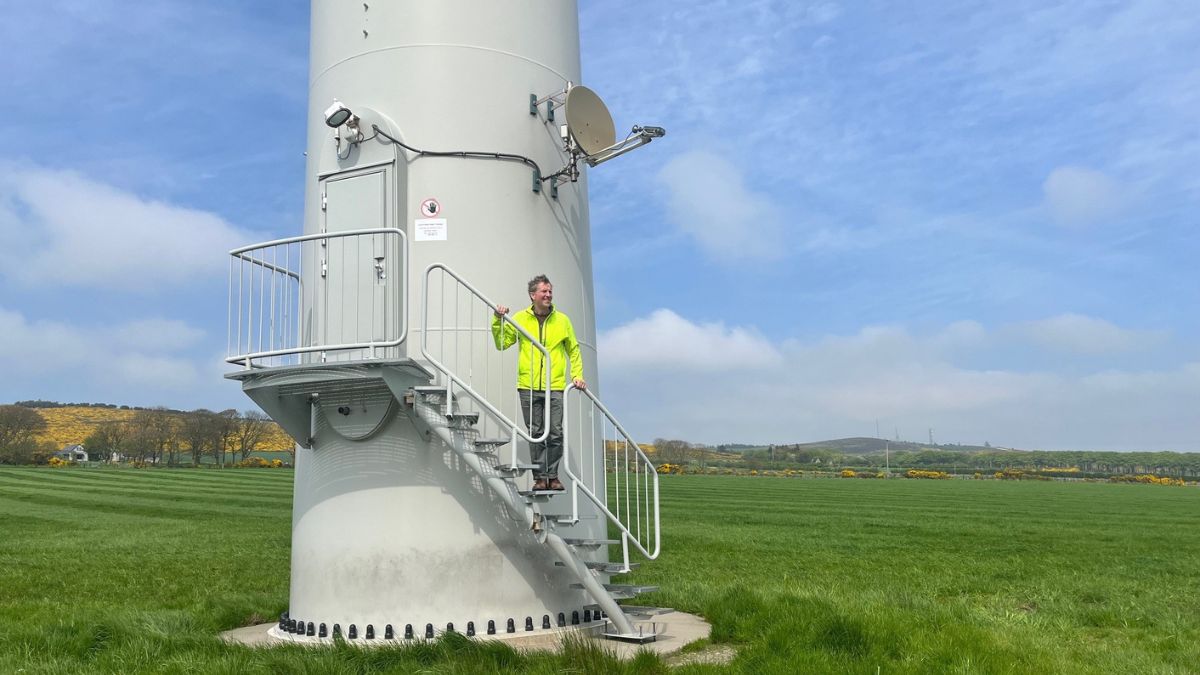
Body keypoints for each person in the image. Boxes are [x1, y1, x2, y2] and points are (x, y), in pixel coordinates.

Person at [492, 274, 586, 491]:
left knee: (555, 432)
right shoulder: (521, 318)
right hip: (528, 385)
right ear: (532, 295)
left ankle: (553, 476)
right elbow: (502, 343)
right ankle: (540, 477)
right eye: (544, 291)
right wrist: (497, 320)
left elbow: (573, 350)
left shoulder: (562, 320)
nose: (548, 295)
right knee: (535, 432)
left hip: (554, 385)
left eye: (550, 291)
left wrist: (577, 375)